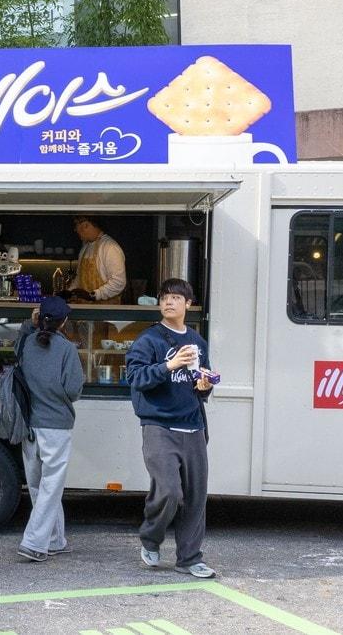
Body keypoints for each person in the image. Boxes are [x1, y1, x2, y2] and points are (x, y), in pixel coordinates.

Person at [124, 278, 216, 579]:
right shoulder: (149, 340)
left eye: (177, 298)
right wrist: (170, 364)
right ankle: (151, 538)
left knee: (196, 496)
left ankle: (189, 558)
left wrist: (203, 386)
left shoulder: (197, 341)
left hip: (193, 426)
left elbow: (199, 386)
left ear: (188, 305)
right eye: (164, 297)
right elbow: (135, 378)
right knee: (169, 491)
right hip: (158, 424)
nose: (169, 302)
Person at [13, 296, 85, 562]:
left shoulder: (27, 344)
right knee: (51, 486)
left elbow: (16, 350)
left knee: (37, 484)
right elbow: (73, 389)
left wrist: (28, 325)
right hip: (56, 425)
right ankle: (34, 542)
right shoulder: (67, 349)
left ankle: (55, 539)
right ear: (64, 321)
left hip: (30, 424)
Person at [65, 215, 127, 303]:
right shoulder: (85, 249)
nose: (75, 230)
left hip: (106, 312)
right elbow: (79, 278)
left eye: (76, 226)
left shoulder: (110, 248)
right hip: (87, 310)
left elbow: (118, 283)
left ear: (85, 225)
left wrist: (94, 295)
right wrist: (69, 292)